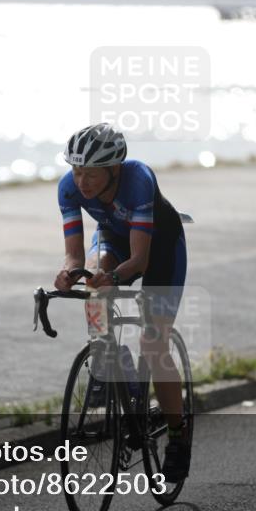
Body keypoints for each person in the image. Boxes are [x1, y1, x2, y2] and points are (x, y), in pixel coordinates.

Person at [53, 122, 190, 482]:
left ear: (113, 169)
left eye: (91, 174)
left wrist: (114, 277)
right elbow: (74, 255)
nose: (81, 182)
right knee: (93, 286)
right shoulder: (68, 189)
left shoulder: (138, 179)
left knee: (154, 342)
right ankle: (111, 358)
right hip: (114, 238)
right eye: (77, 171)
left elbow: (140, 262)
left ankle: (178, 435)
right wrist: (70, 273)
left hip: (160, 248)